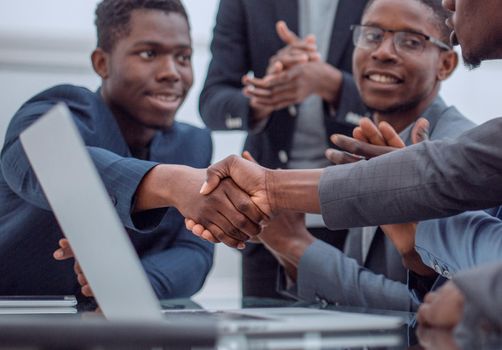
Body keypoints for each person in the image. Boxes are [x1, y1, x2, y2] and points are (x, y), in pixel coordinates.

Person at [188, 0, 502, 329]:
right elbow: (213, 99)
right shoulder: (369, 151)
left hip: (316, 209)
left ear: (446, 63)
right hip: (296, 212)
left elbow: (433, 310)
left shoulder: (450, 146)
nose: (382, 51)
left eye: (410, 41)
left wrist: (293, 240)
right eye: (370, 36)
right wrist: (267, 93)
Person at [0, 0, 263, 298]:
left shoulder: (193, 144)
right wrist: (170, 182)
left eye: (184, 57)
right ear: (102, 63)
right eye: (149, 53)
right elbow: (36, 161)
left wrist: (126, 282)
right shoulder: (56, 112)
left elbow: (194, 253)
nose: (172, 72)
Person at [199, 0, 369, 298]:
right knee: (263, 337)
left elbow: (409, 94)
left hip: (360, 215)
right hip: (267, 223)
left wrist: (332, 85)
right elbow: (212, 102)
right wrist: (261, 98)